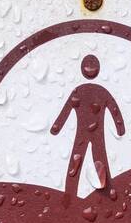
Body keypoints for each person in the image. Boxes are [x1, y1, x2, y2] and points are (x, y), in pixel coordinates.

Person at [51, 54, 125, 199]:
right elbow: (114, 109)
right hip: (90, 134)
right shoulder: (98, 91)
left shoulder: (82, 91)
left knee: (76, 164)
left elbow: (65, 111)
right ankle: (105, 196)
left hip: (87, 135)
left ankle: (70, 195)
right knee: (95, 163)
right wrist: (120, 128)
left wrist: (56, 127)